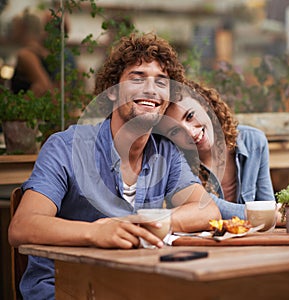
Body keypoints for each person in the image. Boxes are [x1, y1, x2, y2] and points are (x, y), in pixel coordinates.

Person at [8, 33, 221, 299]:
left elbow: (206, 210)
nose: (151, 90)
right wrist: (96, 232)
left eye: (161, 81)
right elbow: (22, 227)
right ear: (111, 93)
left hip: (129, 286)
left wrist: (146, 222)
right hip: (62, 288)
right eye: (137, 77)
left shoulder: (165, 152)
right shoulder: (66, 146)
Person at [156, 79, 276, 220]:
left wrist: (273, 214)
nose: (190, 132)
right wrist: (265, 214)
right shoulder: (176, 162)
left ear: (204, 104)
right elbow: (207, 207)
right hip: (200, 240)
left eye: (190, 116)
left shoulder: (254, 141)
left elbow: (268, 204)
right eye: (175, 131)